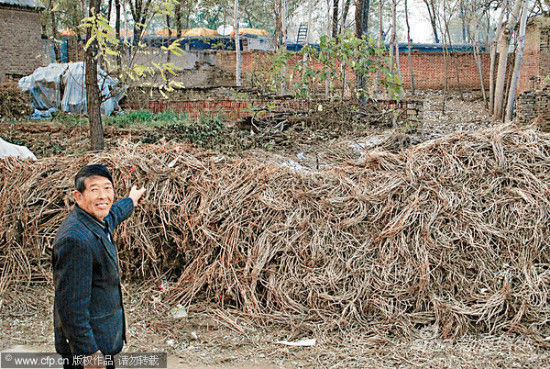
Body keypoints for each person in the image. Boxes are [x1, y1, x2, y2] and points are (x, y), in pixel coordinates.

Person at [52, 165, 146, 369]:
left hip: (103, 340)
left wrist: (131, 200)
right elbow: (71, 306)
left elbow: (114, 215)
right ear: (78, 196)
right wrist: (89, 354)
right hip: (89, 349)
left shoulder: (95, 220)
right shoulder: (75, 239)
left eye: (107, 188)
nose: (103, 196)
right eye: (94, 190)